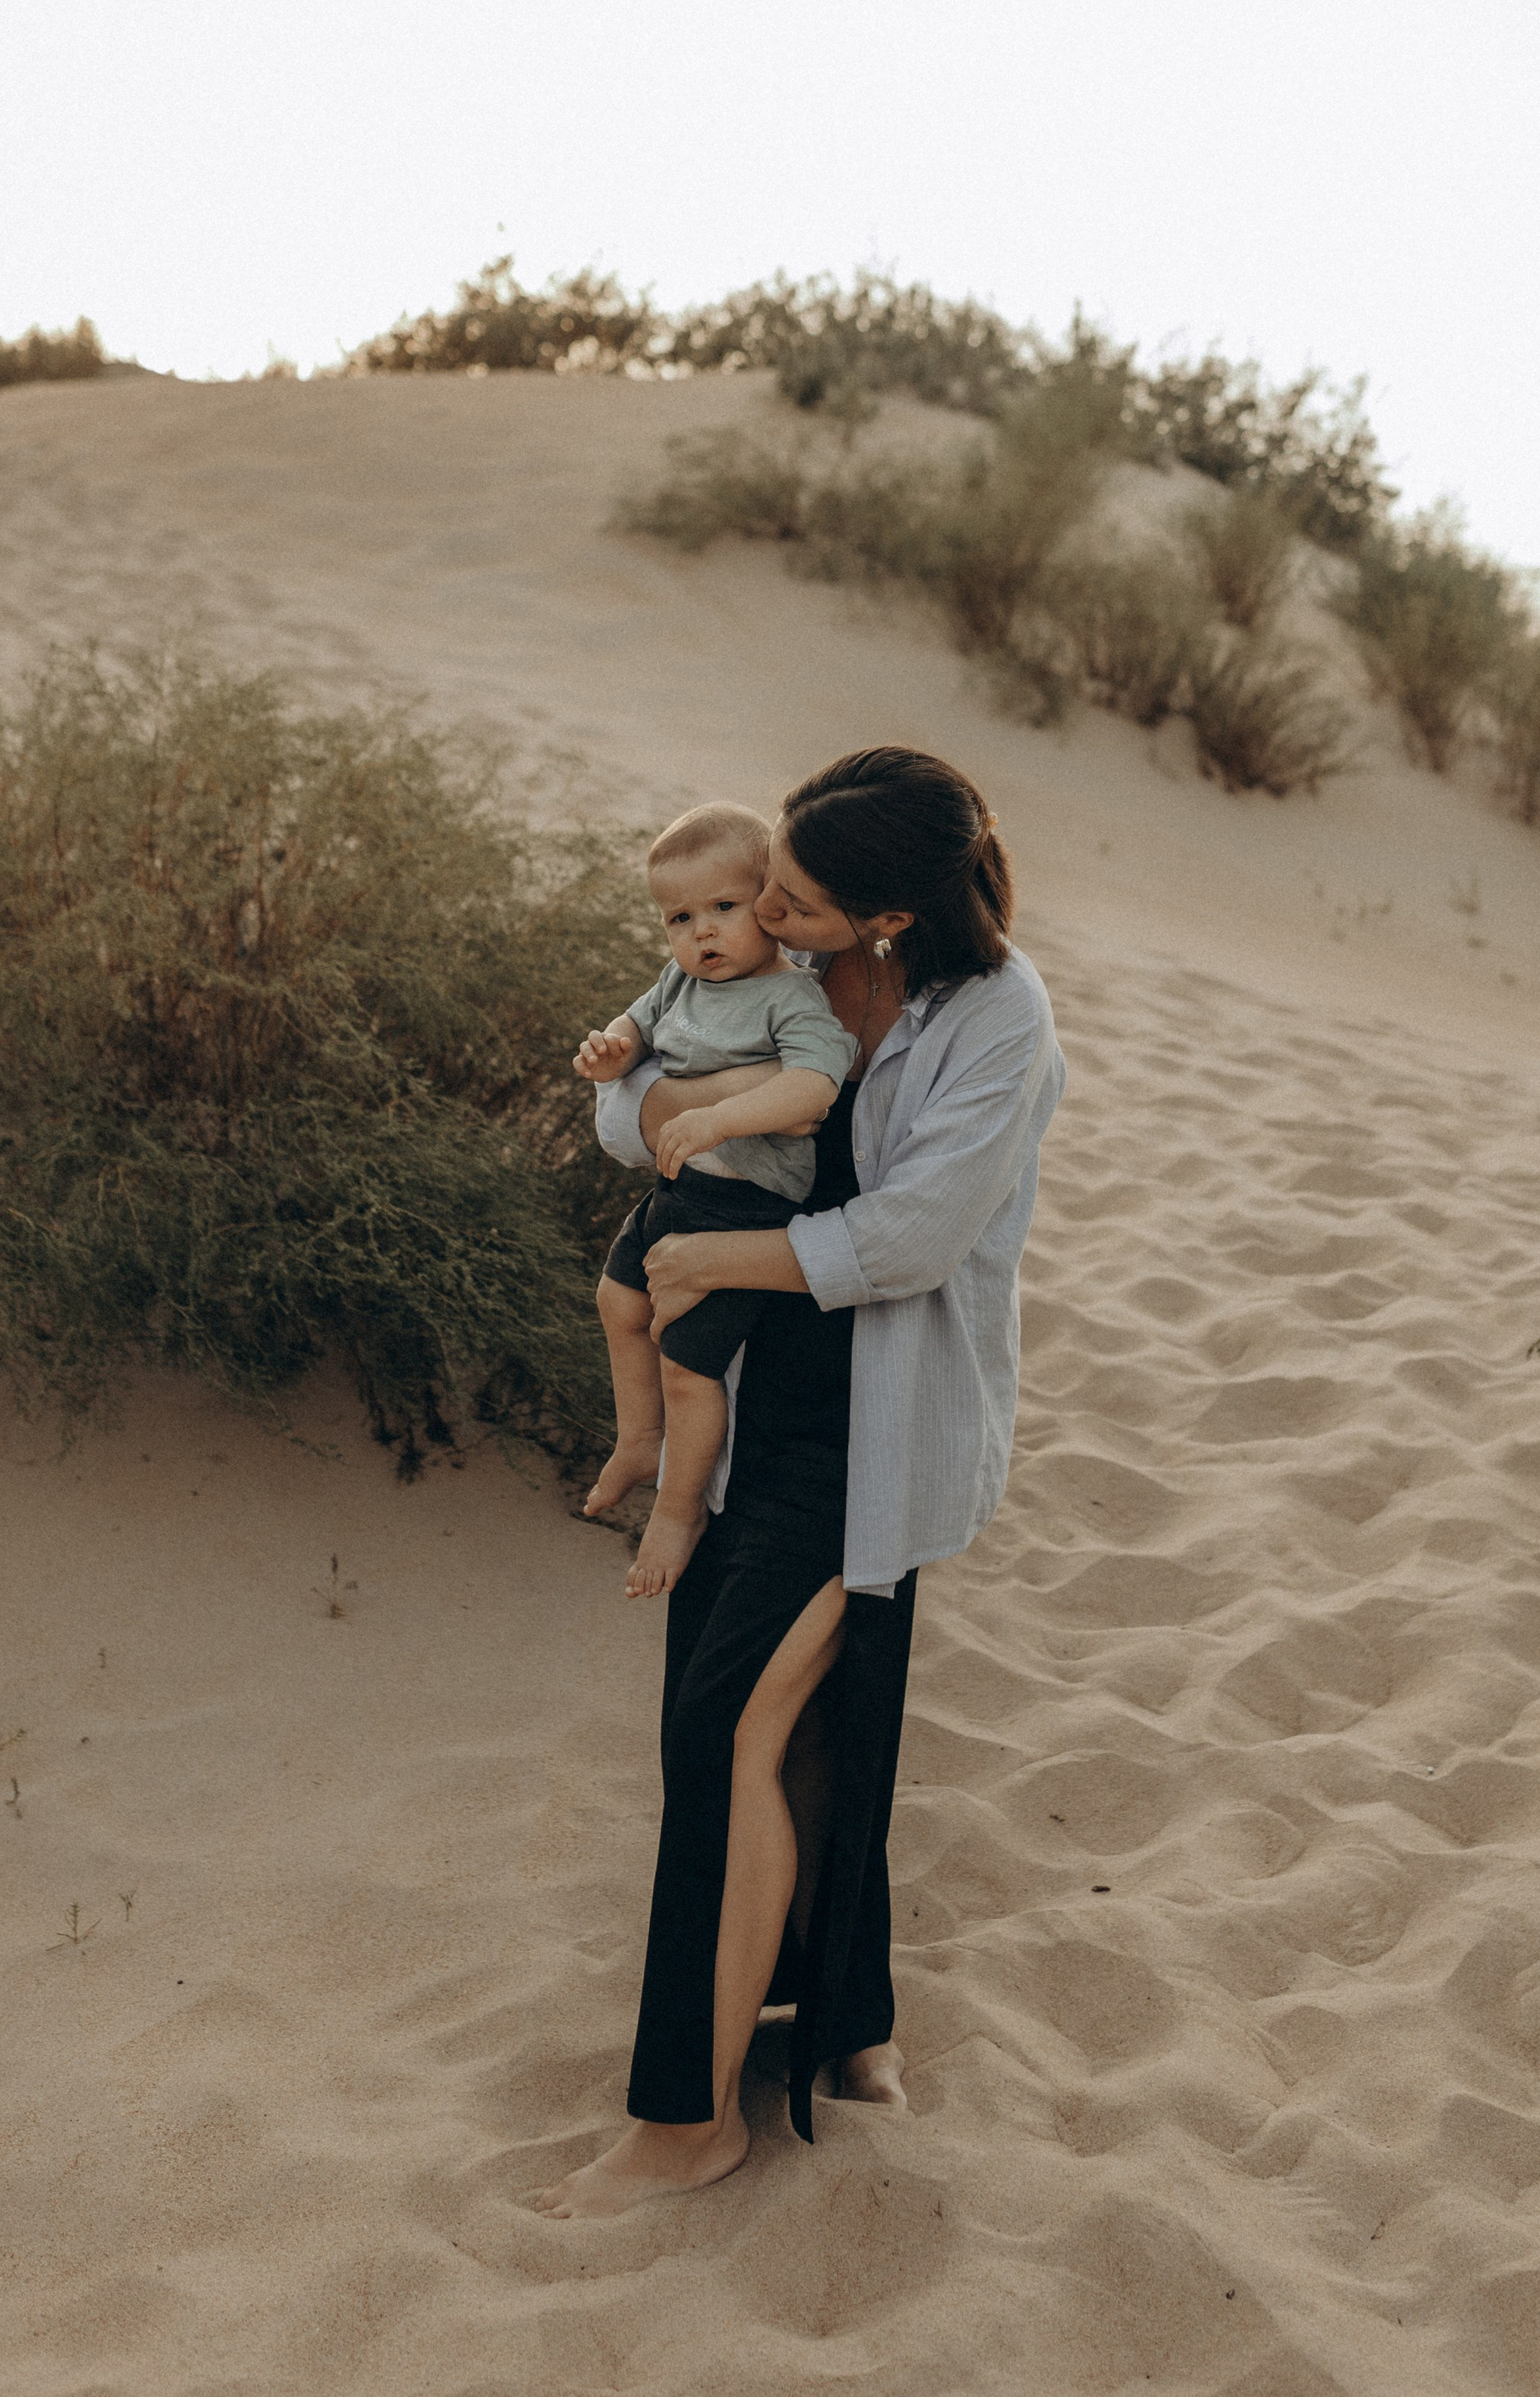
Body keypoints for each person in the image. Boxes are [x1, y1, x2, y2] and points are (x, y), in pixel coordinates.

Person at [534, 745, 1065, 2221]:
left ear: (889, 916)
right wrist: (672, 1113)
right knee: (802, 1720)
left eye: (798, 901)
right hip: (746, 1396)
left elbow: (915, 1237)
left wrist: (717, 1248)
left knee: (731, 1729)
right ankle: (843, 2022)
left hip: (872, 1424)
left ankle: (686, 2121)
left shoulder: (999, 1021)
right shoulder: (777, 964)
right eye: (767, 884)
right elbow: (630, 1110)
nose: (764, 910)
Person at [574, 800, 854, 1597]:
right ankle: (638, 1440)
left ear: (770, 902)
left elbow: (814, 1084)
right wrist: (611, 1051)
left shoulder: (792, 996)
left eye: (724, 908)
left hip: (748, 1208)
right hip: (682, 1188)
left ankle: (677, 1510)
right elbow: (636, 1024)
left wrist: (719, 1116)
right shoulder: (680, 982)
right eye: (680, 918)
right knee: (618, 1302)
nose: (703, 933)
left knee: (689, 1368)